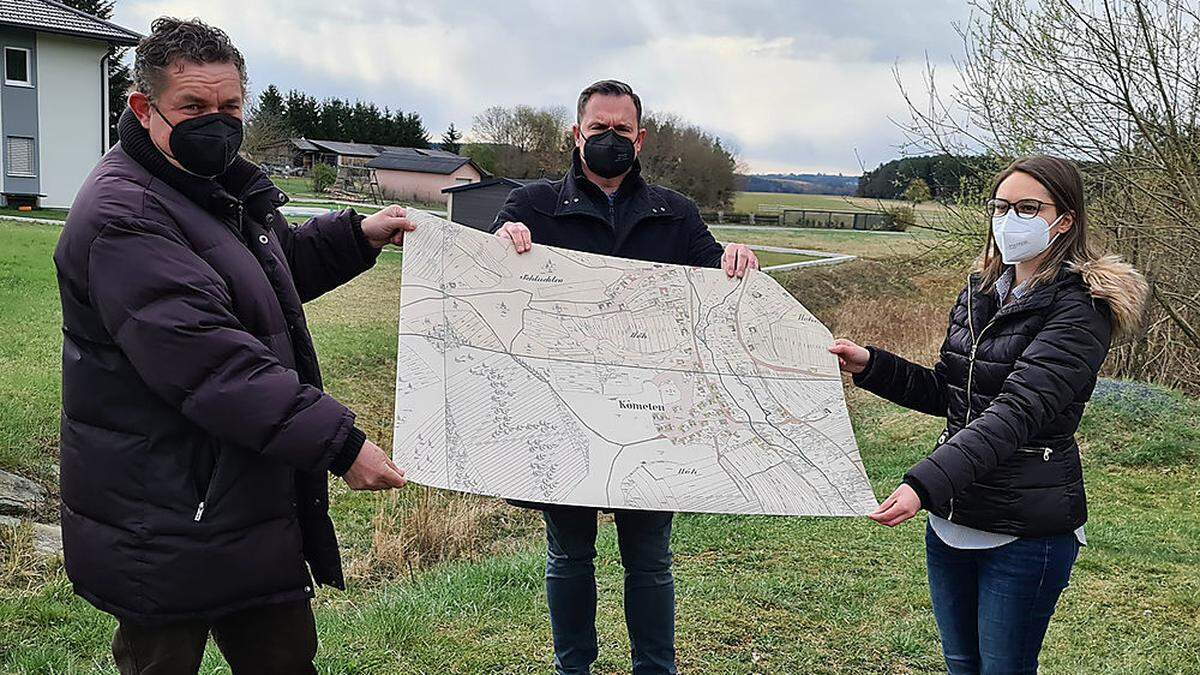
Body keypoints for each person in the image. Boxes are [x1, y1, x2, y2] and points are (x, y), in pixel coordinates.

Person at [53, 18, 412, 674]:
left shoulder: (214, 189)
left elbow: (264, 277)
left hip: (241, 494)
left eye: (229, 107)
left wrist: (360, 235)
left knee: (284, 659)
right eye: (193, 106)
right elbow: (214, 363)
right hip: (161, 509)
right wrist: (341, 444)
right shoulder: (124, 215)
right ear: (144, 107)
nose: (214, 122)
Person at [830, 155, 1148, 674]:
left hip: (1024, 530)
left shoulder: (1082, 309)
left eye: (1027, 208)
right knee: (961, 663)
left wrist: (922, 484)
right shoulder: (980, 292)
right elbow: (951, 392)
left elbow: (1015, 412)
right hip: (953, 520)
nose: (1009, 220)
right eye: (1000, 207)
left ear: (1064, 219)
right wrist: (873, 365)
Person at [491, 79, 759, 675]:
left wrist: (732, 261)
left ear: (639, 138)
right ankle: (574, 668)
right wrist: (500, 245)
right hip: (563, 414)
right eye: (597, 129)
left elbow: (711, 283)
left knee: (649, 560)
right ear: (575, 135)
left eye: (620, 130)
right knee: (569, 557)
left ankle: (654, 670)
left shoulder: (676, 214)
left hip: (651, 418)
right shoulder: (530, 206)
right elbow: (490, 285)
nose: (609, 140)